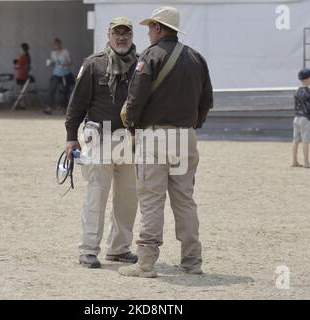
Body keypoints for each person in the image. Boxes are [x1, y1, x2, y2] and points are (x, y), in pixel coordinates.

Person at [118, 7, 213, 278]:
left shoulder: (150, 56)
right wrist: (192, 126)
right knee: (185, 200)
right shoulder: (197, 58)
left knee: (151, 200)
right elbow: (207, 101)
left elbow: (135, 99)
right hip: (186, 136)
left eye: (150, 27)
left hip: (155, 136)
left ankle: (146, 263)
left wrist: (132, 127)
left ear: (159, 28)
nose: (148, 32)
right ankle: (192, 262)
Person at [64, 17, 139, 268]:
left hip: (130, 141)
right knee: (96, 196)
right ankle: (88, 250)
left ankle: (118, 248)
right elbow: (77, 104)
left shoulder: (141, 65)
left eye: (126, 33)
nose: (121, 38)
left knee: (128, 198)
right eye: (116, 33)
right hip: (98, 139)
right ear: (108, 35)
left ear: (132, 36)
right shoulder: (93, 64)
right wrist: (70, 137)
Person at [291, 68, 310, 169]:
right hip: (305, 118)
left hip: (296, 118)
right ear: (308, 79)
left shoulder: (297, 91)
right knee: (305, 141)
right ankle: (306, 162)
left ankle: (294, 161)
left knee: (295, 140)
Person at [44, 39, 73, 115]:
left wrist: (64, 64)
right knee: (52, 90)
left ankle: (65, 108)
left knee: (65, 91)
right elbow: (53, 62)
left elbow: (70, 61)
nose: (56, 46)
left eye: (57, 44)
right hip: (56, 73)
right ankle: (49, 108)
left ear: (60, 44)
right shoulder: (53, 53)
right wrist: (50, 63)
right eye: (55, 44)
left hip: (65, 73)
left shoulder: (65, 52)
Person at [14, 43, 31, 109]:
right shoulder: (27, 56)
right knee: (22, 90)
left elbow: (18, 65)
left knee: (20, 90)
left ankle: (22, 104)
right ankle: (24, 103)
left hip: (20, 75)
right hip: (24, 74)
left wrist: (15, 65)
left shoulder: (22, 56)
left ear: (22, 49)